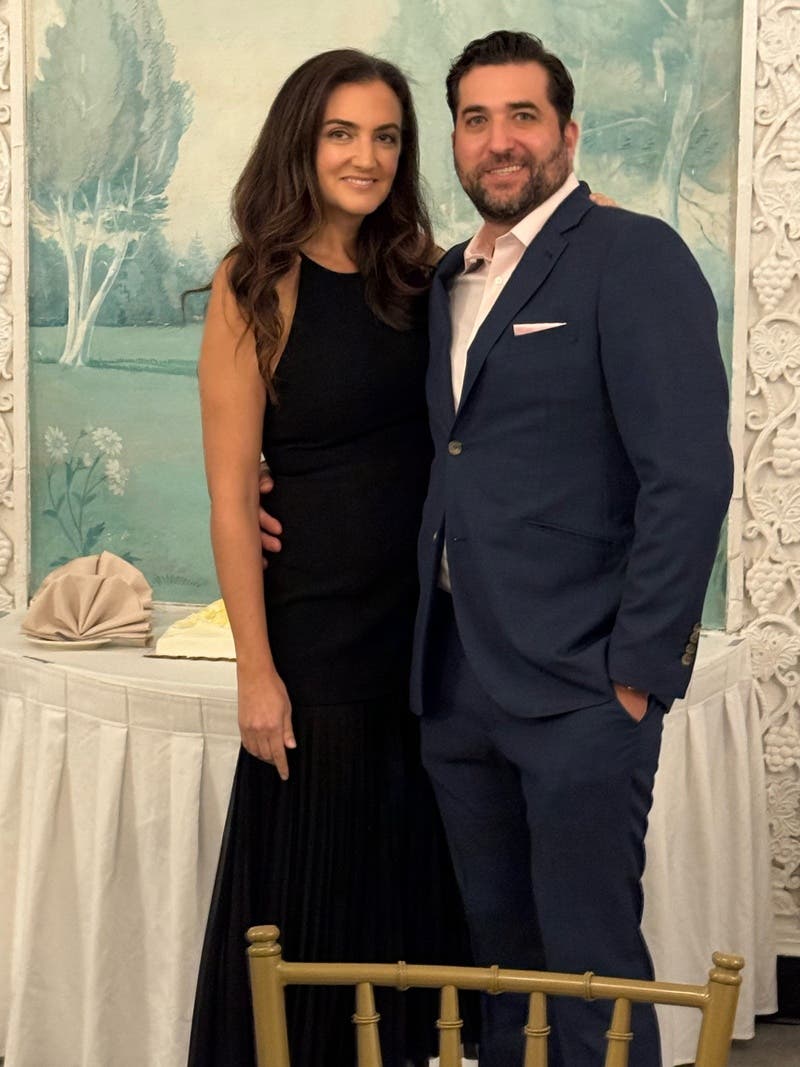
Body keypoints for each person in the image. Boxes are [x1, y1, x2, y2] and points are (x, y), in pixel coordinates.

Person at [407, 30, 734, 1067]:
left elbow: (688, 476)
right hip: (455, 678)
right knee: (502, 970)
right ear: (454, 142)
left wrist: (635, 672)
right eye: (475, 119)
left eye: (522, 115)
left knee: (590, 973)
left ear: (567, 132)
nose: (498, 140)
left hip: (583, 686)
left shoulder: (632, 255)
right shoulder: (446, 281)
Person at [187, 49, 477, 1067]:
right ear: (300, 144)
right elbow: (233, 498)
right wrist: (255, 673)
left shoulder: (425, 275)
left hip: (426, 642)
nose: (367, 156)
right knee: (309, 907)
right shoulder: (253, 283)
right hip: (314, 640)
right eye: (341, 133)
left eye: (386, 136)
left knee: (409, 908)